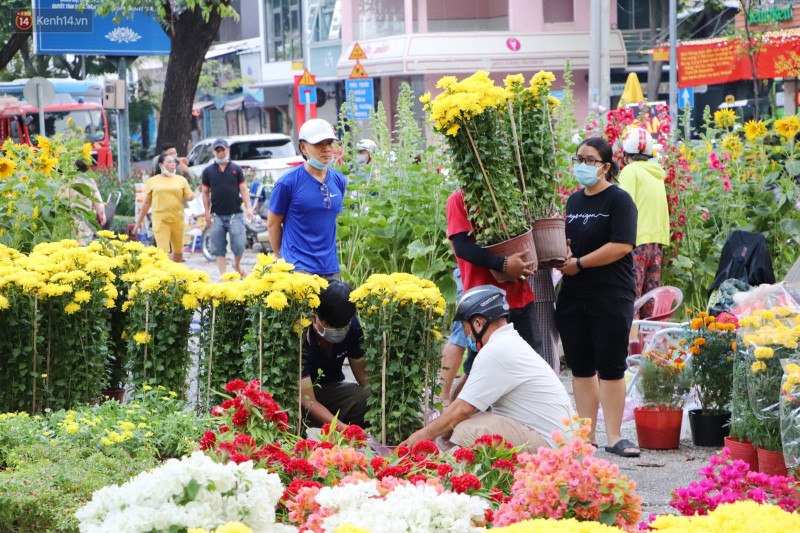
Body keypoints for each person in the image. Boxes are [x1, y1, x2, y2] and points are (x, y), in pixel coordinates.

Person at [402, 285, 573, 453]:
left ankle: (498, 476)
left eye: (465, 328)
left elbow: (463, 408)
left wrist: (422, 435)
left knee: (467, 428)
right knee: (470, 420)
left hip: (552, 449)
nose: (466, 335)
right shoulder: (508, 342)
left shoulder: (495, 351)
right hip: (557, 441)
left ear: (477, 323)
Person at [555, 136, 640, 458]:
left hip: (610, 293)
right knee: (580, 367)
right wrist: (563, 253)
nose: (582, 165)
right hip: (575, 294)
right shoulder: (574, 202)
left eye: (589, 160)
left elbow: (622, 245)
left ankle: (616, 436)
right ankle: (586, 436)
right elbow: (570, 240)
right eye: (578, 159)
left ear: (605, 166)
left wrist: (579, 263)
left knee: (611, 365)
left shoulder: (619, 200)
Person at [445, 188, 544, 401]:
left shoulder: (513, 191)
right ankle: (448, 430)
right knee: (477, 372)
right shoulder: (460, 197)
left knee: (531, 364)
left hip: (521, 296)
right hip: (484, 303)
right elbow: (461, 247)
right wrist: (502, 265)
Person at [267, 119, 346, 279]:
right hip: (298, 268)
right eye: (319, 144)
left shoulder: (339, 180)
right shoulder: (288, 182)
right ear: (303, 147)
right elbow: (273, 225)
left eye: (330, 143)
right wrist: (282, 260)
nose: (326, 149)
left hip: (330, 267)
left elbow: (332, 215)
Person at [300, 281, 370, 429]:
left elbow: (364, 378)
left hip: (332, 390)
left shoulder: (352, 326)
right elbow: (307, 400)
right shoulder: (301, 334)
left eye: (343, 324)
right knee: (291, 410)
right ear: (314, 317)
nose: (338, 329)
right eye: (332, 325)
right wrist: (343, 428)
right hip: (302, 394)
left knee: (365, 398)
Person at [617, 128, 669, 319]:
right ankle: (648, 346)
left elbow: (623, 207)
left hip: (635, 241)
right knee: (650, 303)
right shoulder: (657, 174)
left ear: (625, 154)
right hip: (655, 243)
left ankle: (630, 347)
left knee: (630, 300)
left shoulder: (630, 171)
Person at [201, 138, 254, 276]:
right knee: (218, 247)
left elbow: (243, 189)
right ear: (214, 152)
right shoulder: (208, 171)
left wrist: (249, 208)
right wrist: (206, 212)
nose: (220, 153)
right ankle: (223, 275)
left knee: (239, 244)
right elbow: (205, 192)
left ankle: (236, 264)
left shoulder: (236, 169)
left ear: (228, 150)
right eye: (217, 151)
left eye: (222, 150)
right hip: (216, 214)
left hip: (235, 213)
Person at [134, 154, 194, 263]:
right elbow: (147, 203)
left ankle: (176, 273)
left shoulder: (181, 180)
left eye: (174, 162)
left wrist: (194, 195)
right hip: (160, 220)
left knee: (178, 249)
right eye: (169, 162)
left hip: (177, 219)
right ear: (161, 165)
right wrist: (139, 222)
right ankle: (164, 275)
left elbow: (188, 196)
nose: (173, 164)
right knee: (163, 251)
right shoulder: (153, 181)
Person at [439, 267, 469, 406]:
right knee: (460, 335)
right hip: (470, 277)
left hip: (470, 276)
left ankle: (445, 397)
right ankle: (442, 396)